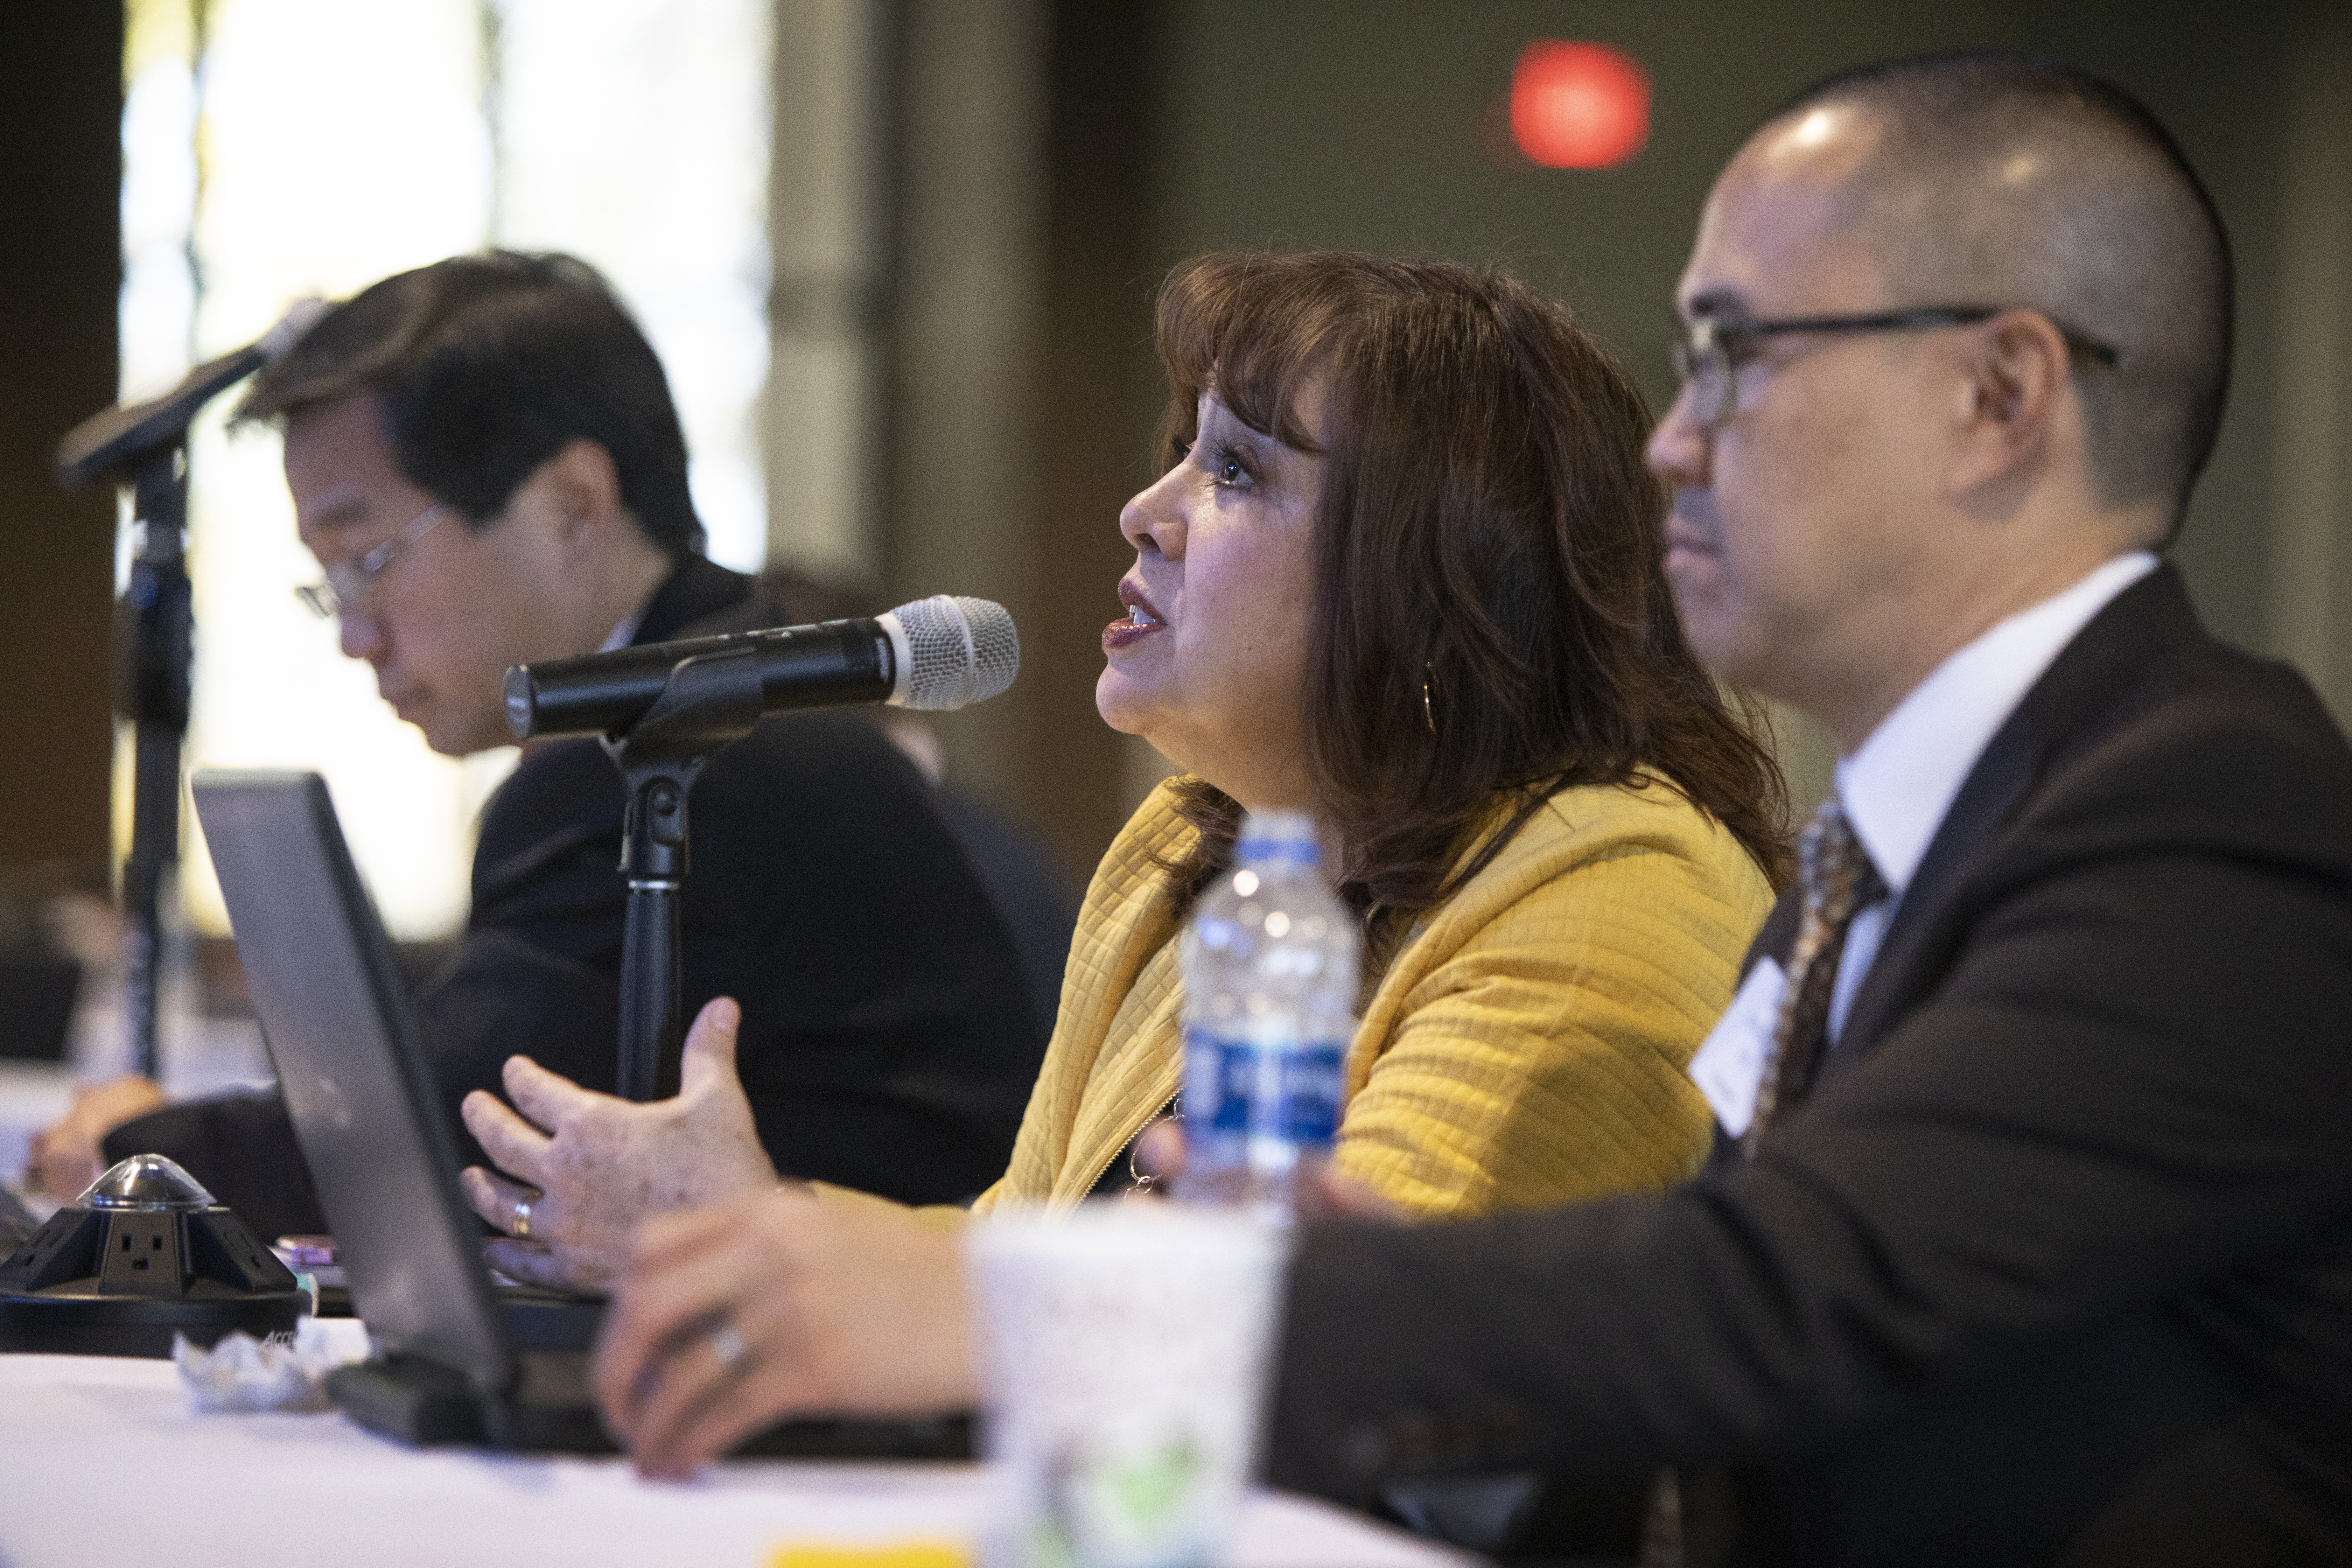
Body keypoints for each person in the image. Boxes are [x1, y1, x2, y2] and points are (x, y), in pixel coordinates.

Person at [598, 52, 2352, 1562]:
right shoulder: (1899, 841)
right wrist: (1326, 1279)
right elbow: (1677, 1409)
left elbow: (1776, 1301)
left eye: (1742, 355)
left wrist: (1071, 1306)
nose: (1678, 440)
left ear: (1999, 398)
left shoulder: (2208, 822)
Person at [564, 248, 1790, 1472]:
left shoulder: (1618, 882)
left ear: (1434, 590)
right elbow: (1024, 1242)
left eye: (1238, 472)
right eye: (1187, 452)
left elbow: (1349, 1354)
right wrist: (755, 1235)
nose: (1146, 511)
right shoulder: (1195, 847)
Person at [27, 252, 1054, 1240]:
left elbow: (423, 1138)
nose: (353, 633)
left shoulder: (680, 748)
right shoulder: (695, 697)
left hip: (886, 1374)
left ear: (571, 507)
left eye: (367, 560)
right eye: (328, 581)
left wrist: (137, 1154)